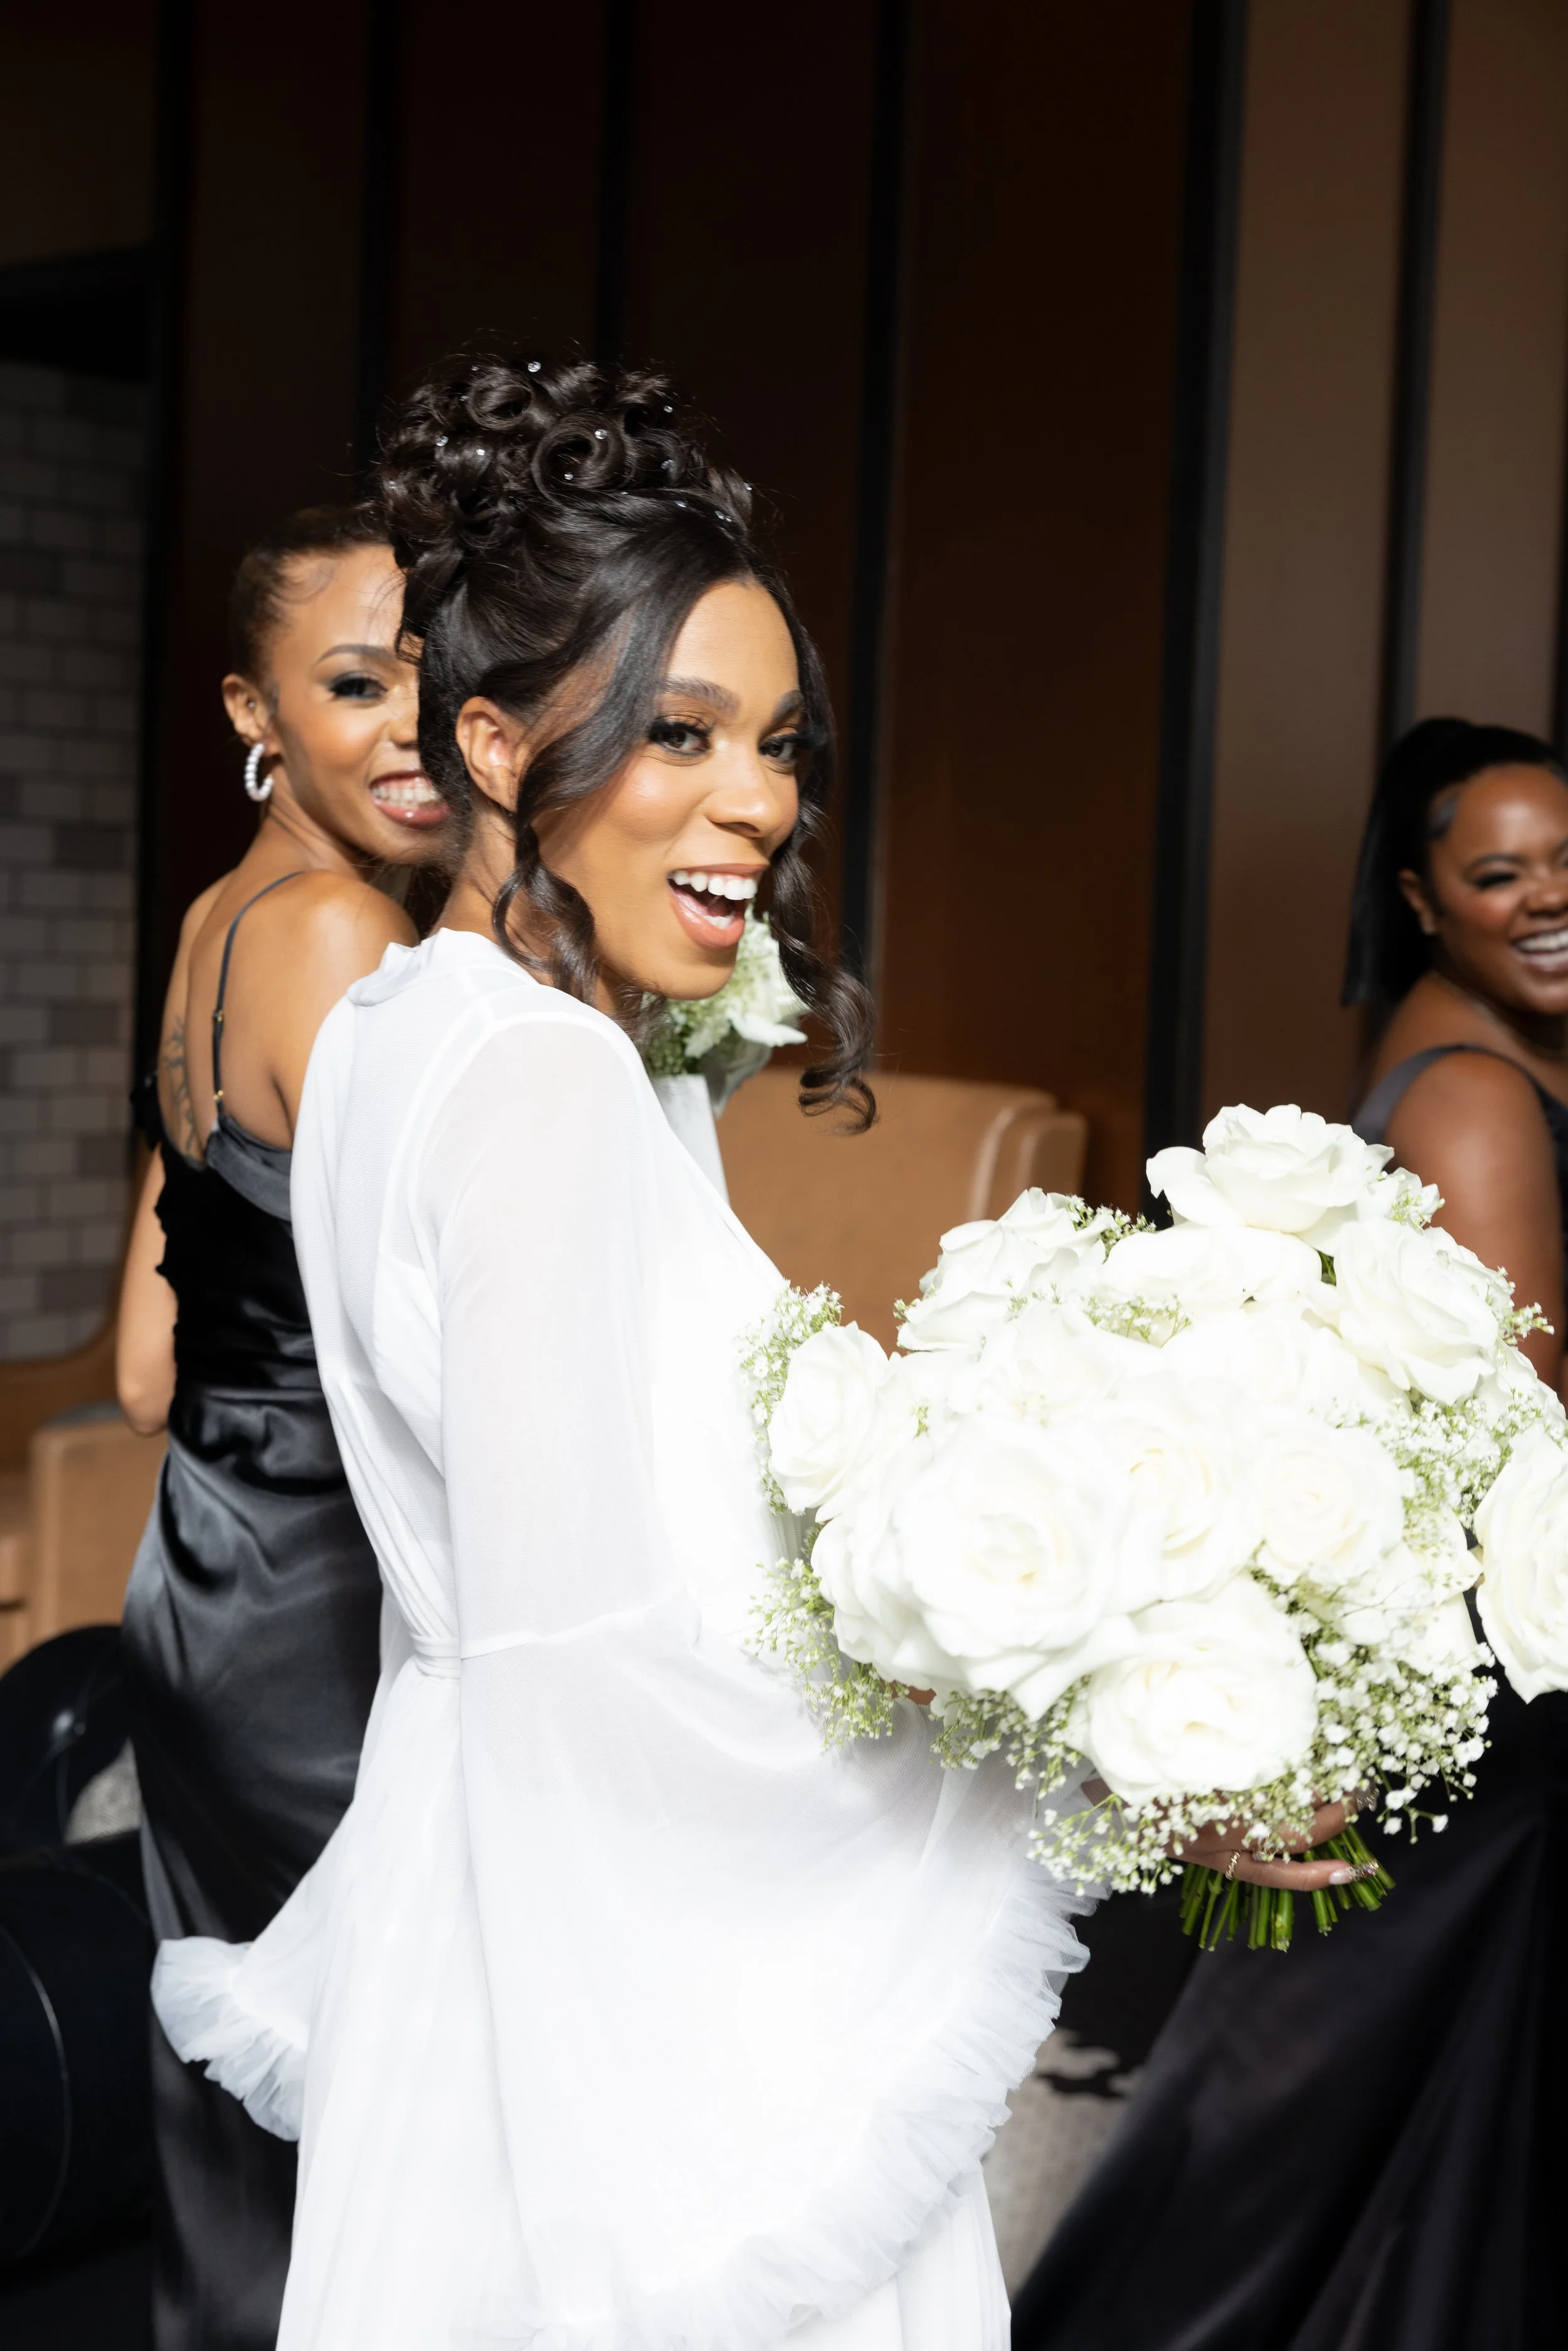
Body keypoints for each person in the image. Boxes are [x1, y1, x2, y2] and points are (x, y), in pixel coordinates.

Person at [147, 359, 1344, 2351]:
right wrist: (1077, 1749)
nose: (760, 799)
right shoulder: (536, 1084)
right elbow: (592, 1659)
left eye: (779, 739)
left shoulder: (394, 1028)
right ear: (497, 742)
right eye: (676, 731)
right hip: (625, 1989)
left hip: (489, 1922)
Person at [1012, 715, 1568, 2351]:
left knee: (1395, 2104)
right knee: (1307, 2120)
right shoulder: (1469, 1094)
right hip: (1494, 1665)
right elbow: (1526, 1427)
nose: (1545, 897)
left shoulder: (1501, 1056)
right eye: (1497, 872)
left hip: (1489, 1651)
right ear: (1418, 896)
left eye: (1565, 861)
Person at [116, 504, 450, 2351]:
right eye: (353, 683)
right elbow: (451, 1342)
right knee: (392, 2101)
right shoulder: (337, 935)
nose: (410, 722)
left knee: (255, 2123)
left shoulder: (217, 918)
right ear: (255, 704)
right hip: (328, 1592)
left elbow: (154, 1357)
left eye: (434, 674)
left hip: (207, 1569)